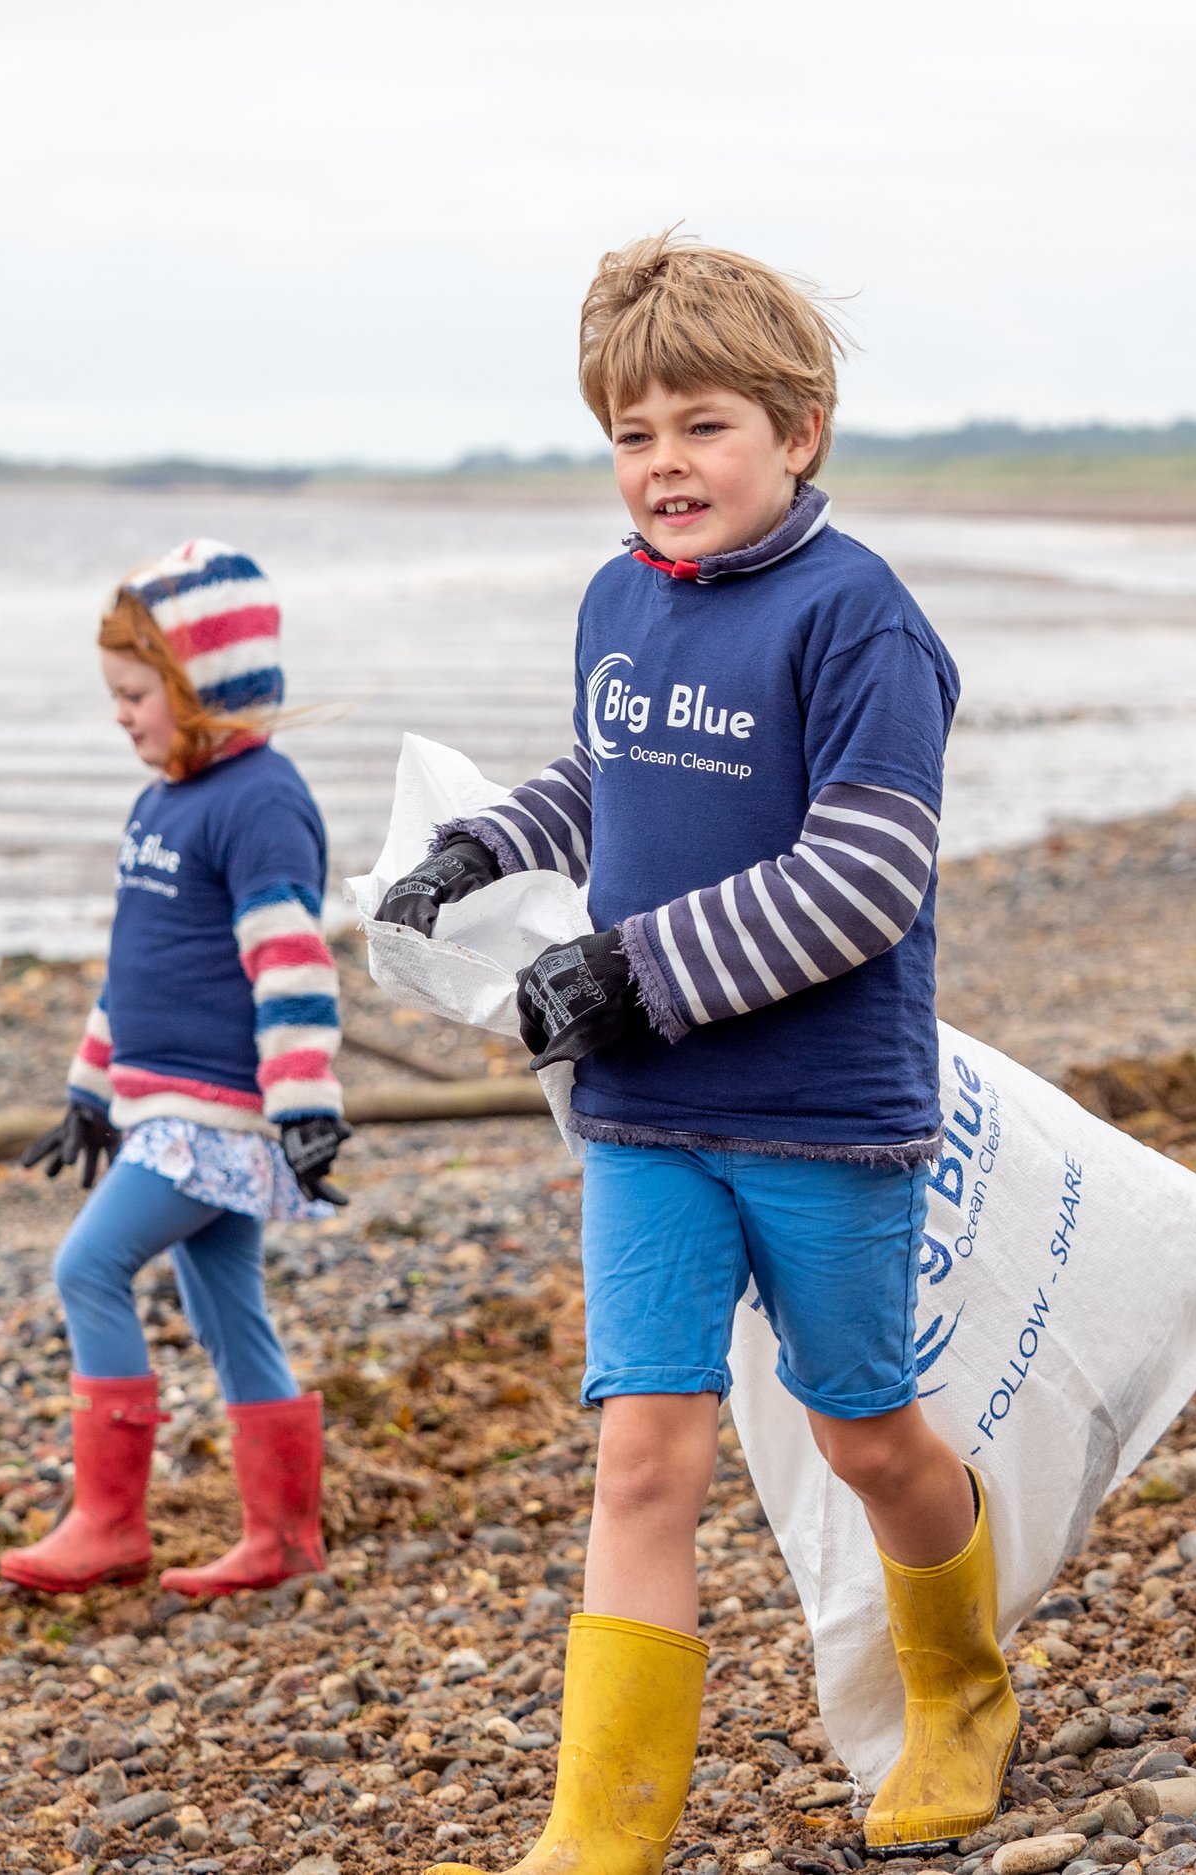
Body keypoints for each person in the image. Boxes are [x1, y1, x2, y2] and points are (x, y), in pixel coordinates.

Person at [378, 234, 1006, 1871]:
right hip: (645, 1113)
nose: (665, 464)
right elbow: (607, 780)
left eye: (703, 425)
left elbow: (868, 878)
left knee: (864, 1430)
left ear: (797, 430)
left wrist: (629, 972)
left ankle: (959, 1686)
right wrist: (474, 850)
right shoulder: (619, 599)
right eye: (633, 434)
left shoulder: (857, 619)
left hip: (821, 1112)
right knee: (644, 1457)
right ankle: (601, 1836)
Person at [2, 539, 353, 1595]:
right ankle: (282, 1539)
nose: (121, 714)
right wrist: (89, 1088)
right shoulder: (163, 803)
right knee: (227, 1309)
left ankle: (110, 1523)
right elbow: (137, 970)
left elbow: (290, 958)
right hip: (162, 1105)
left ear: (204, 684)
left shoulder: (259, 800)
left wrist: (304, 1103)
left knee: (88, 1268)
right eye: (114, 694)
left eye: (135, 692)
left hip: (217, 1116)